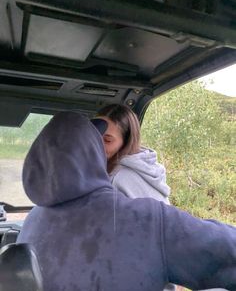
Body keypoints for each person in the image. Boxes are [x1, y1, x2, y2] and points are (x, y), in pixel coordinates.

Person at [17, 111, 236, 291]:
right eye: (98, 141)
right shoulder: (145, 220)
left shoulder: (32, 219)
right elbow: (226, 249)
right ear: (93, 152)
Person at [97, 104, 170, 204]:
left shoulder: (118, 178)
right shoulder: (148, 168)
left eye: (107, 140)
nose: (97, 144)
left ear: (126, 142)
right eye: (94, 136)